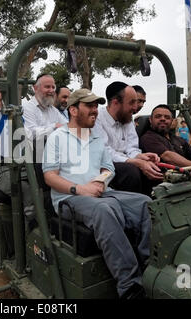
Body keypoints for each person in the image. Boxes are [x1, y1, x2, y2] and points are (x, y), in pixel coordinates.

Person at [42, 88, 151, 299]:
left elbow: (108, 168)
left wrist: (100, 181)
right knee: (105, 209)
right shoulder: (58, 137)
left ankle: (149, 267)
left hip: (102, 193)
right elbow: (50, 177)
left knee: (146, 204)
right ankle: (130, 286)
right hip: (69, 197)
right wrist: (80, 189)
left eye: (95, 106)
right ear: (73, 110)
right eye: (89, 106)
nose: (95, 110)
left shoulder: (96, 138)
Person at [93, 81, 163, 196]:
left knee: (155, 169)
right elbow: (104, 152)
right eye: (132, 103)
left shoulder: (127, 118)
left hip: (126, 162)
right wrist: (135, 162)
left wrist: (140, 156)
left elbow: (132, 147)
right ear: (115, 103)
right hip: (104, 166)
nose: (135, 108)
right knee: (130, 171)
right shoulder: (97, 118)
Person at [140, 105, 191, 173]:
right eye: (158, 116)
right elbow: (168, 157)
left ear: (172, 121)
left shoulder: (179, 139)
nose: (163, 119)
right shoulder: (147, 138)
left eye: (167, 117)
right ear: (150, 119)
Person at [22, 73, 68, 141]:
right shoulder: (27, 108)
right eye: (47, 87)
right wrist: (54, 127)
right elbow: (31, 134)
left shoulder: (53, 110)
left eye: (53, 87)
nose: (51, 90)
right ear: (36, 88)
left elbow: (67, 125)